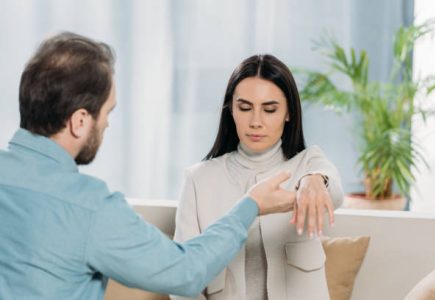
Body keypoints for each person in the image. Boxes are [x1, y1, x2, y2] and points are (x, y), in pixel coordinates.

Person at [0, 33, 298, 300]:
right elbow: (184, 272)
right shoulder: (90, 207)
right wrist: (250, 206)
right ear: (80, 121)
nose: (106, 124)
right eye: (108, 112)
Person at [173, 54, 344, 300]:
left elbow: (334, 192)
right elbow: (182, 281)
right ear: (230, 110)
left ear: (288, 113)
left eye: (269, 109)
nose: (256, 122)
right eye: (244, 108)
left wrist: (314, 180)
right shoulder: (199, 180)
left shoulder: (309, 163)